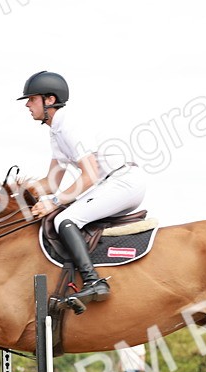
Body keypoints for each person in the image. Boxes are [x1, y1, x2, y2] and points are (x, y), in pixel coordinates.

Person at [19, 70, 147, 304]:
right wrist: (14, 195)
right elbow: (52, 182)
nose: (27, 105)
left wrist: (55, 202)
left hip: (123, 181)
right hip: (111, 183)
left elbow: (88, 175)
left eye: (32, 99)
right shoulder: (55, 132)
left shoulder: (69, 124)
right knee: (62, 213)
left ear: (49, 100)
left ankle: (93, 281)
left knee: (63, 220)